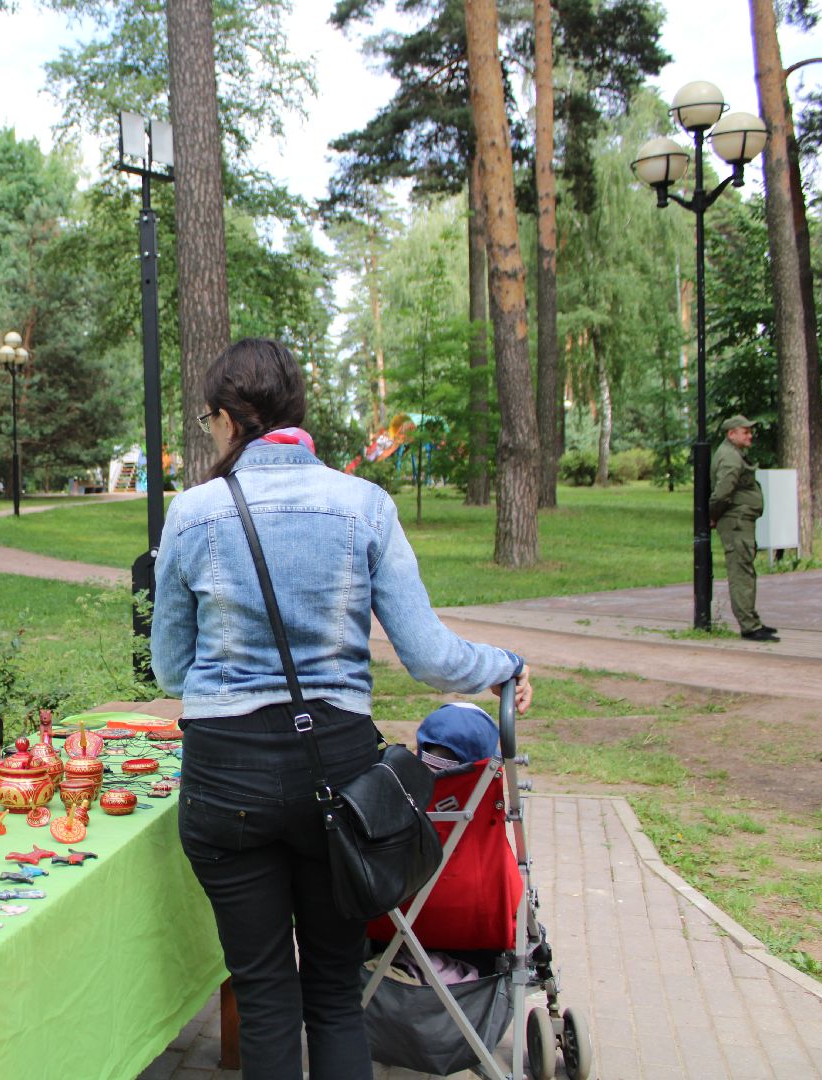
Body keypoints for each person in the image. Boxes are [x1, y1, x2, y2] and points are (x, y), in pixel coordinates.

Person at [151, 337, 532, 1080]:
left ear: (229, 418)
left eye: (209, 420)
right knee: (334, 992)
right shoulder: (365, 505)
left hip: (226, 780)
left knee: (264, 996)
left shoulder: (192, 514)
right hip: (339, 776)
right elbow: (428, 655)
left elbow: (170, 668)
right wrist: (504, 666)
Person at [710, 415, 776, 641]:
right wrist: (714, 515)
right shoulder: (730, 458)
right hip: (736, 522)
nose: (750, 435)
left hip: (741, 521)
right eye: (745, 431)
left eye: (750, 431)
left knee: (745, 569)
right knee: (740, 571)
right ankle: (749, 627)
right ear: (731, 434)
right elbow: (722, 493)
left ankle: (752, 621)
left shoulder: (734, 455)